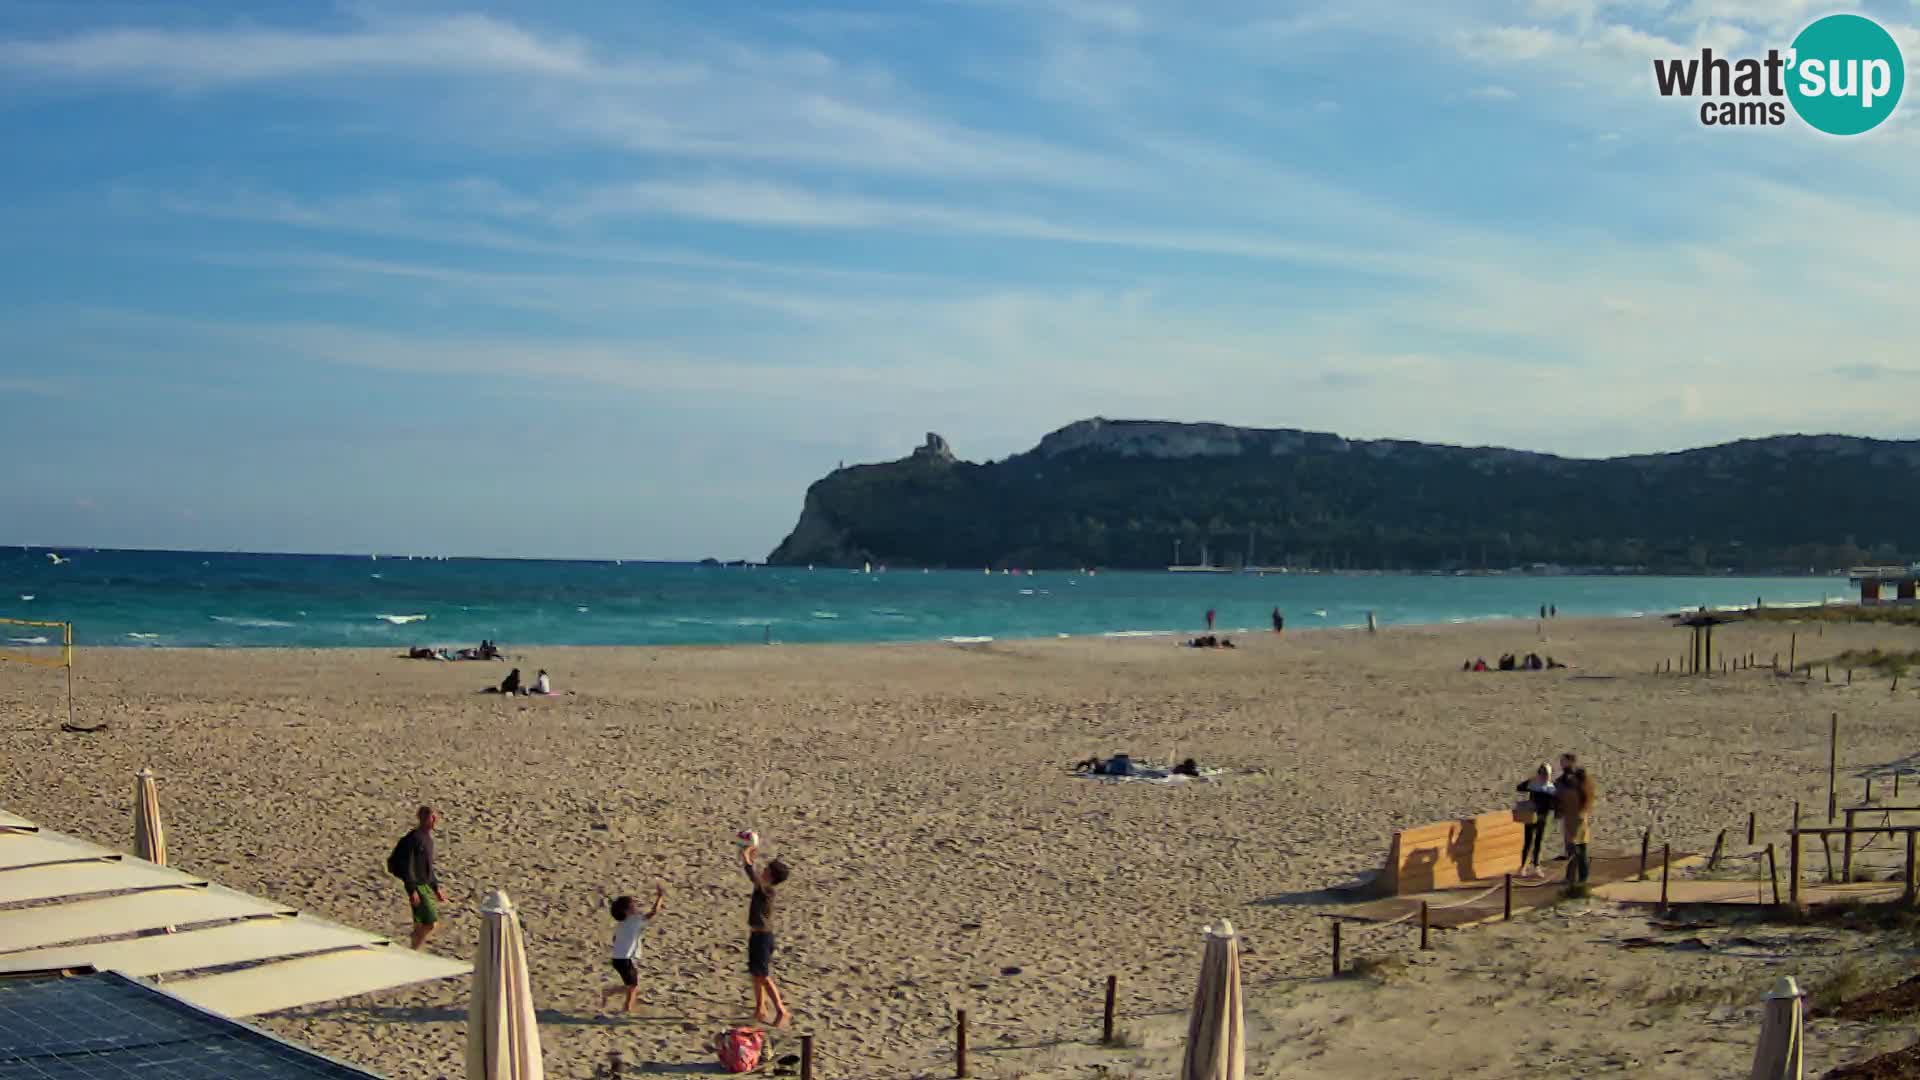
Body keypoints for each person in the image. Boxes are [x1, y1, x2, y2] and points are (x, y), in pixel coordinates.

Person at [741, 840, 792, 1027]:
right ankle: (760, 1008)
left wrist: (746, 858)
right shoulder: (763, 888)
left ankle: (781, 1010)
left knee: (763, 975)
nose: (763, 871)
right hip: (757, 936)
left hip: (763, 937)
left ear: (771, 876)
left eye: (766, 870)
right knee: (756, 974)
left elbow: (752, 877)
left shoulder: (767, 890)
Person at [602, 885, 667, 1014]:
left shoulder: (622, 923)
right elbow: (653, 912)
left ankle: (609, 992)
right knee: (633, 986)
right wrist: (660, 897)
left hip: (619, 959)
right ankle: (626, 1009)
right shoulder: (635, 920)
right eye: (633, 906)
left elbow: (615, 939)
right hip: (624, 959)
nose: (636, 907)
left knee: (631, 984)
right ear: (627, 911)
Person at [387, 806, 445, 950]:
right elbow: (408, 866)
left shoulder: (428, 840)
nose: (435, 821)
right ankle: (413, 949)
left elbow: (427, 867)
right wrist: (412, 890)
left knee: (422, 923)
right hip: (417, 885)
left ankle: (414, 949)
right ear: (423, 819)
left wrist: (436, 888)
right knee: (430, 922)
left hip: (424, 885)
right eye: (432, 818)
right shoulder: (413, 839)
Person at [1514, 764, 1556, 876]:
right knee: (1528, 841)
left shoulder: (1551, 787)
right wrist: (1530, 781)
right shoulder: (1533, 783)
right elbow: (1519, 788)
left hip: (1543, 817)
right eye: (1542, 773)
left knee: (1539, 841)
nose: (1544, 776)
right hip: (1531, 815)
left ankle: (1536, 866)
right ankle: (1523, 867)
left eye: (1546, 774)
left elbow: (1554, 805)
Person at [1560, 768, 1596, 886]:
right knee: (1582, 854)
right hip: (1581, 826)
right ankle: (1582, 877)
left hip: (1574, 826)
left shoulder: (1574, 792)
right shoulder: (1586, 792)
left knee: (1572, 854)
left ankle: (1571, 878)